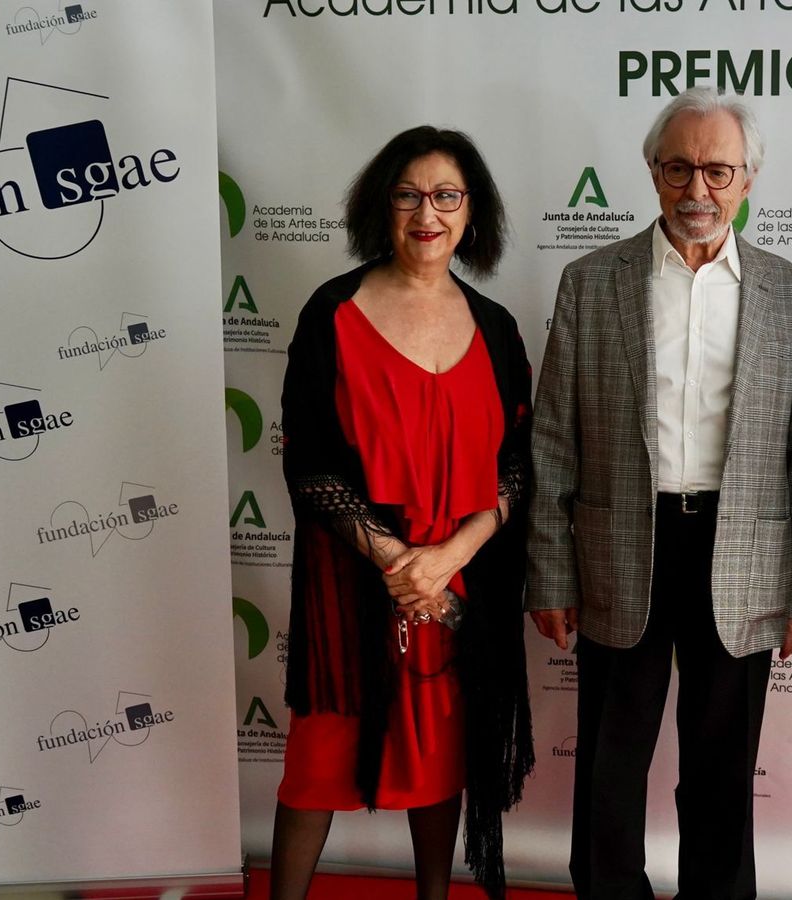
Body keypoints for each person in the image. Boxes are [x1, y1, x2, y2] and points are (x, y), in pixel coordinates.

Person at [526, 87, 792, 900]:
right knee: (610, 764)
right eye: (679, 169)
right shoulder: (591, 283)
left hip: (742, 555)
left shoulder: (789, 293)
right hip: (621, 546)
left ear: (748, 179)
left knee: (723, 768)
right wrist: (550, 573)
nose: (698, 190)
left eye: (718, 171)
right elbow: (553, 441)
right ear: (653, 173)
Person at [273, 126, 534, 900]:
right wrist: (396, 560)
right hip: (353, 586)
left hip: (458, 592)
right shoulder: (332, 311)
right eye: (408, 194)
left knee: (441, 759)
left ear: (471, 212)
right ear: (380, 208)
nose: (429, 212)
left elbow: (518, 461)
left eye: (447, 195)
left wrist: (454, 553)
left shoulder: (495, 327)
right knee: (318, 763)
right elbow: (308, 462)